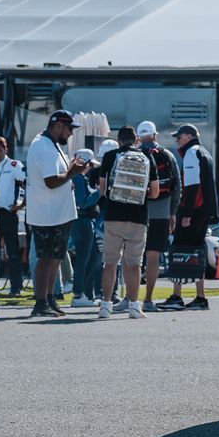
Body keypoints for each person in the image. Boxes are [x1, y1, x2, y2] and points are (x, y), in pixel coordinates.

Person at [24, 111, 87, 316]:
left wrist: (71, 171)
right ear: (59, 125)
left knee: (55, 258)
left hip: (56, 213)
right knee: (46, 259)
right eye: (70, 129)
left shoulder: (51, 145)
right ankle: (41, 302)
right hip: (47, 213)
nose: (70, 133)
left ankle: (49, 299)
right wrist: (72, 173)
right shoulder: (44, 147)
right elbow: (51, 182)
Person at [90, 125, 150, 319]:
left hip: (113, 216)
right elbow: (155, 191)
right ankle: (134, 306)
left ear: (119, 141)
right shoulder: (146, 158)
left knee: (110, 263)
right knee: (134, 264)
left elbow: (102, 189)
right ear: (137, 140)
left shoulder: (109, 157)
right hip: (138, 217)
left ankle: (105, 306)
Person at [164, 123, 214, 311]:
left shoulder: (192, 153)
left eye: (179, 136)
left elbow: (192, 187)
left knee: (180, 250)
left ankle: (177, 297)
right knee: (197, 252)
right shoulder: (204, 152)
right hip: (204, 210)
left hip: (194, 211)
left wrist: (186, 213)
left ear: (189, 136)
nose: (177, 140)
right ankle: (200, 297)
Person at [135, 120, 180, 311]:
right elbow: (177, 186)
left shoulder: (134, 155)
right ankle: (148, 299)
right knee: (153, 256)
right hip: (161, 213)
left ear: (139, 137)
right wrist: (172, 213)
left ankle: (130, 299)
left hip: (137, 212)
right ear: (155, 136)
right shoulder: (167, 155)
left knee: (133, 257)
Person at [67, 141, 106, 310]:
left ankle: (82, 292)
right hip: (82, 220)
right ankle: (78, 294)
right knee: (84, 258)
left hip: (82, 220)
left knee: (92, 257)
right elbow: (83, 202)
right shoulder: (78, 177)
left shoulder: (79, 177)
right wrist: (99, 192)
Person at [0, 135, 26, 297]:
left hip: (8, 213)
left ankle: (16, 286)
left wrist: (21, 205)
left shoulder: (14, 165)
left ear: (6, 150)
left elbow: (28, 184)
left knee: (12, 252)